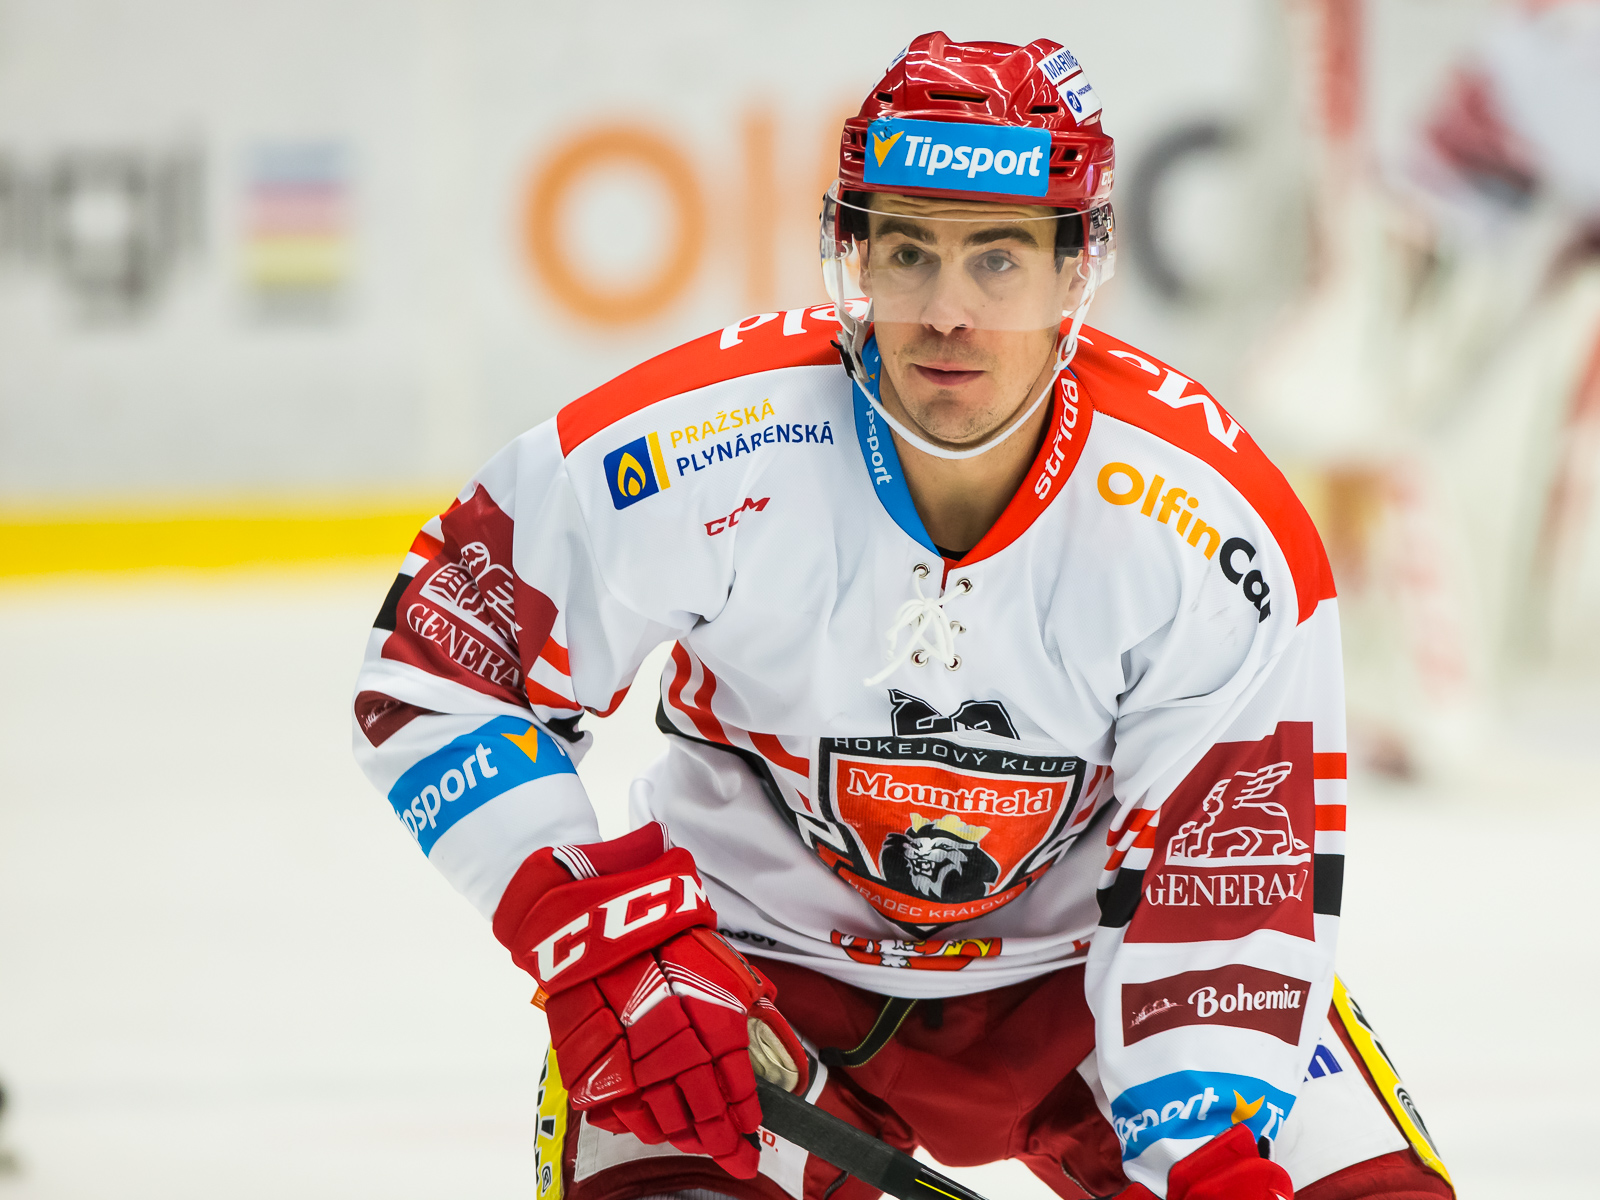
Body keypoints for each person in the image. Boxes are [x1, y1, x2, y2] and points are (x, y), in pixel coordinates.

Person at [351, 32, 1454, 1200]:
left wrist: (1210, 1153)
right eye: (909, 250)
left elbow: (1219, 873)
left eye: (997, 258)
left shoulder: (1207, 533)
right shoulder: (698, 449)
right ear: (855, 254)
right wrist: (609, 950)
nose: (945, 312)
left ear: (1075, 271)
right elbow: (439, 671)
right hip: (749, 986)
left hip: (1087, 988)